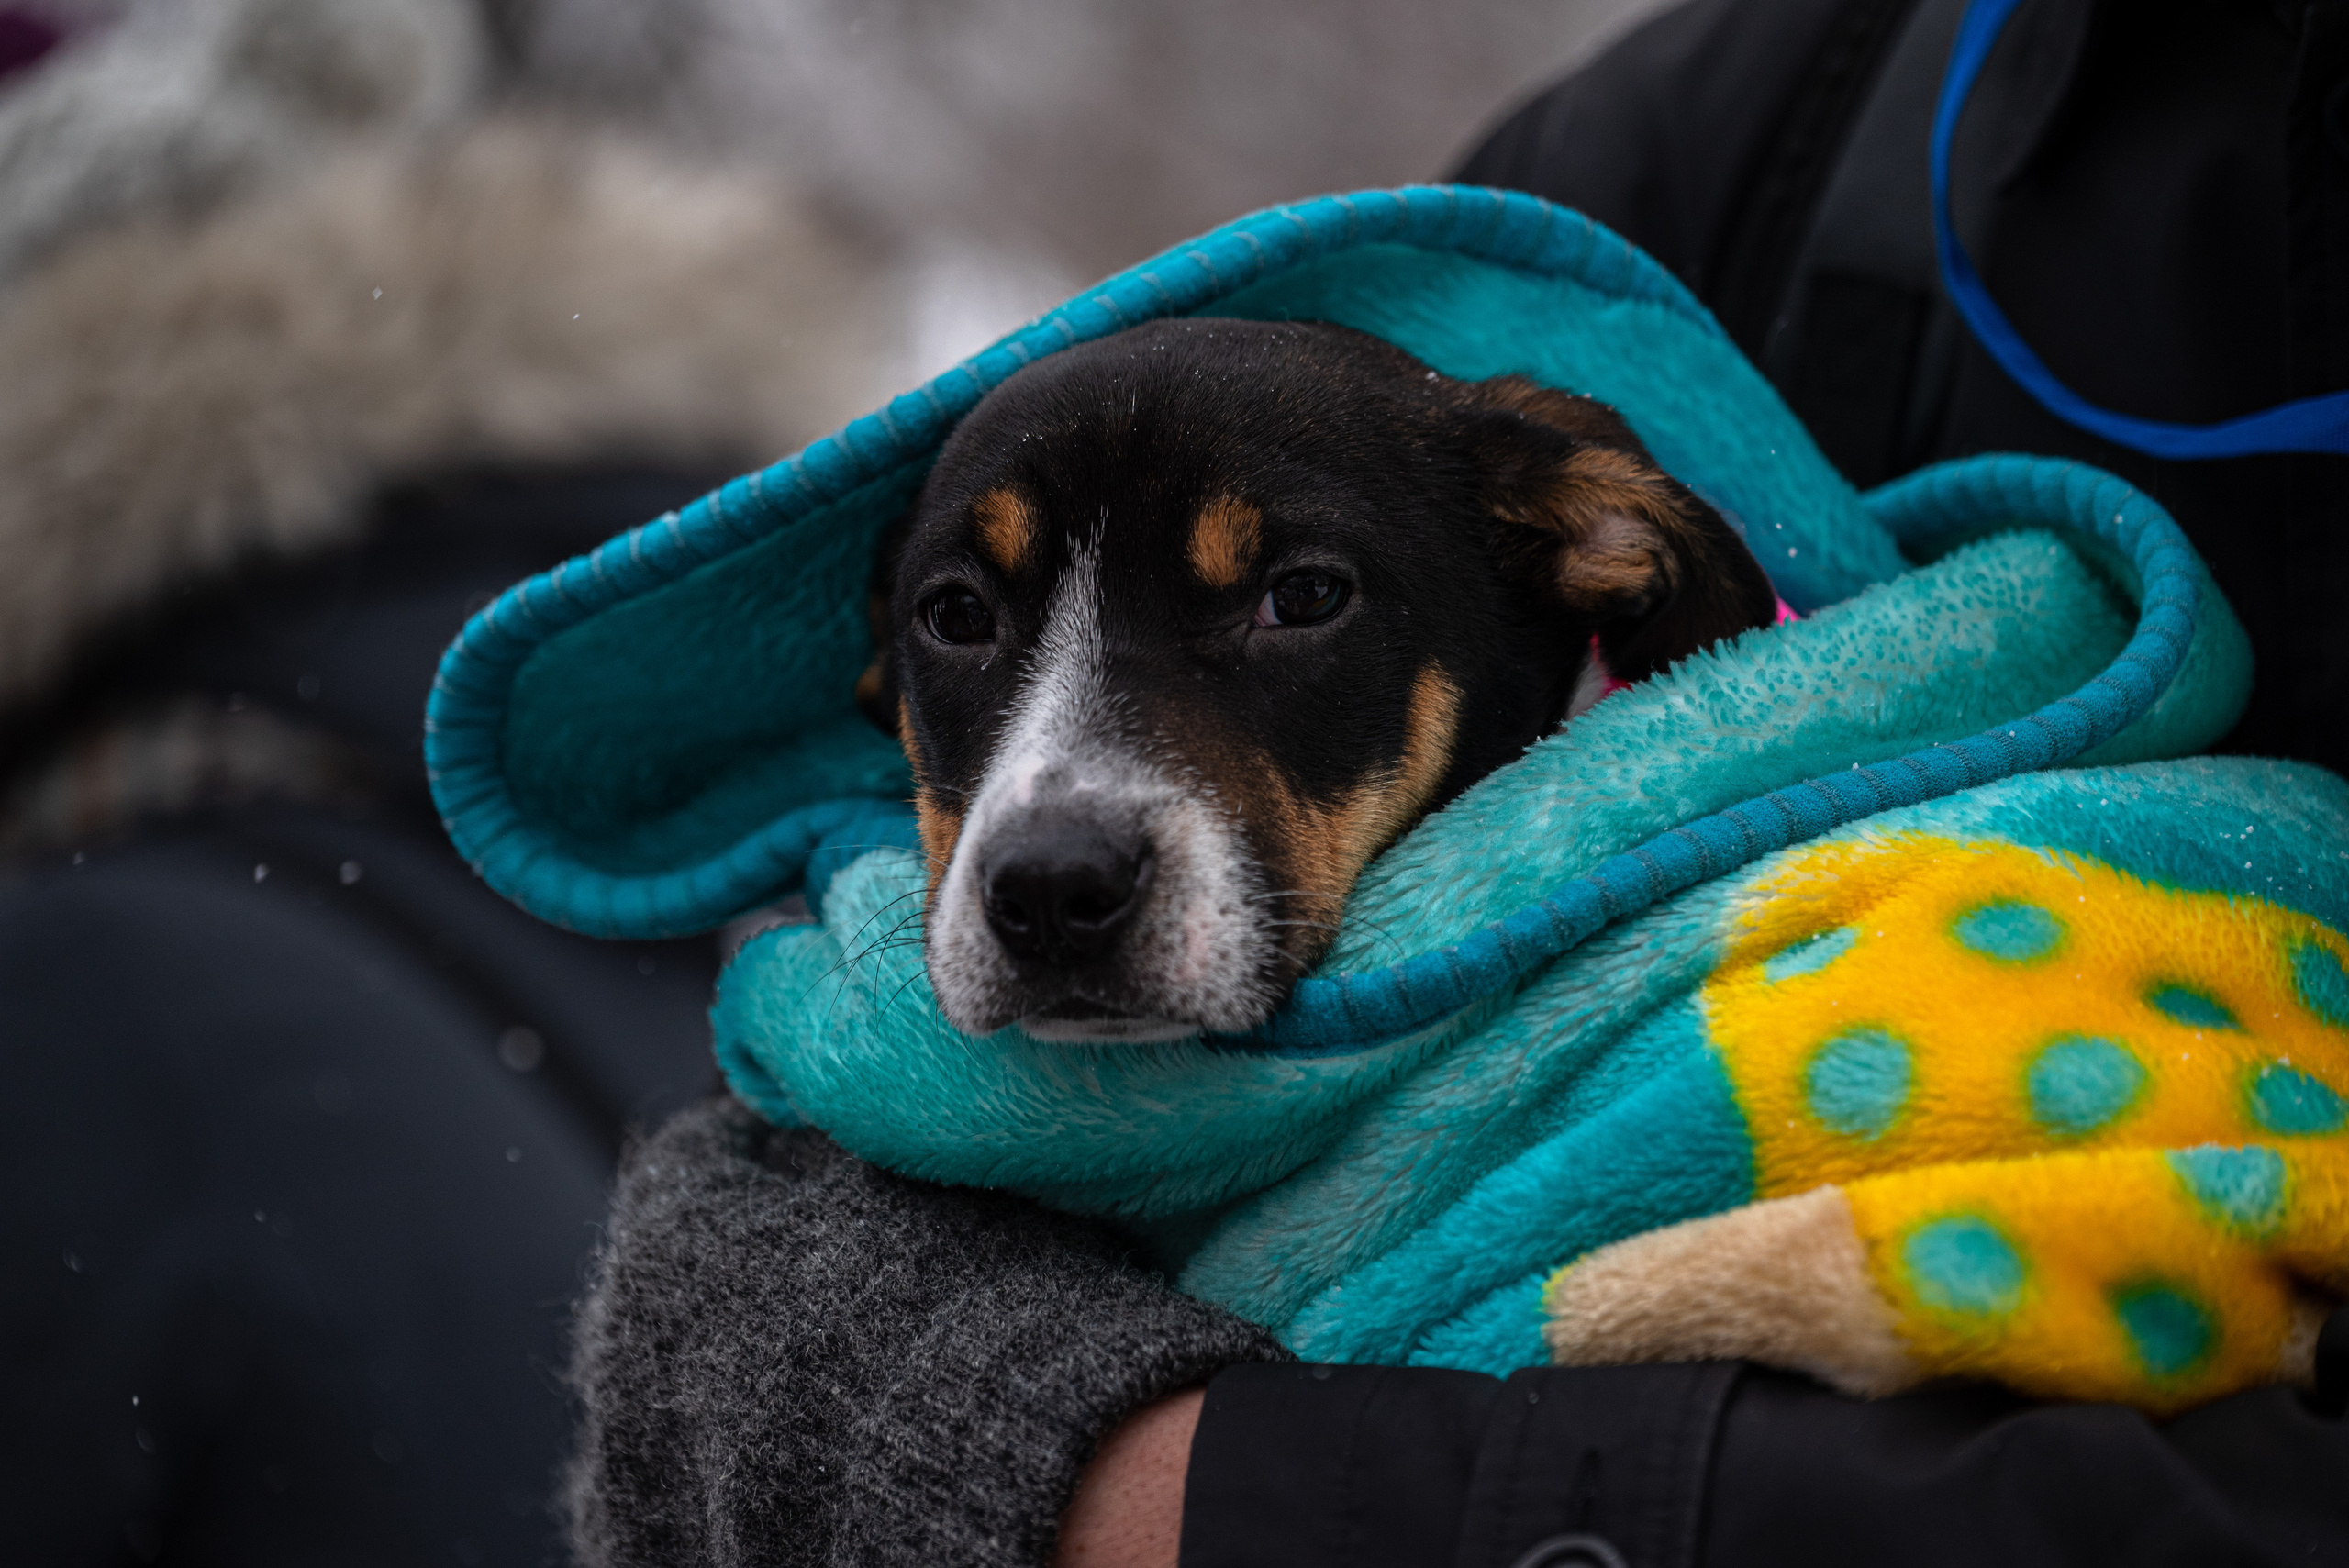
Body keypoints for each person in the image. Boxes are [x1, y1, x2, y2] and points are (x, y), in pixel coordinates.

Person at [562, 1, 2349, 1565]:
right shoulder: (1778, 120)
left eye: (1290, 600)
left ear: (1597, 562)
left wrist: (1214, 1504)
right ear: (879, 677)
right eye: (966, 616)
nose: (1058, 813)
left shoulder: (1837, 877)